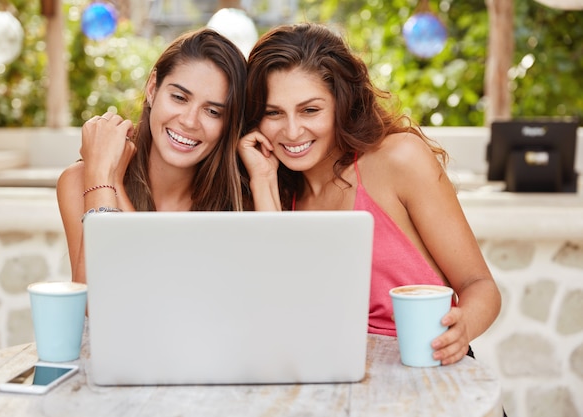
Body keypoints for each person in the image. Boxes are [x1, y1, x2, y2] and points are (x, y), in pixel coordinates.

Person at [238, 23, 502, 366]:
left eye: (310, 110)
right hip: (337, 382)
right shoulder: (277, 190)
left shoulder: (398, 159)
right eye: (273, 113)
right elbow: (280, 312)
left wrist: (463, 325)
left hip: (427, 371)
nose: (291, 131)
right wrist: (261, 181)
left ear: (341, 104)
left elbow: (479, 284)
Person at [57, 28, 247, 285]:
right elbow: (94, 301)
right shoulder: (79, 180)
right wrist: (100, 176)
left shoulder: (237, 201)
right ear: (152, 88)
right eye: (179, 97)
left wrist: (111, 183)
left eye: (213, 111)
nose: (190, 121)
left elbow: (166, 293)